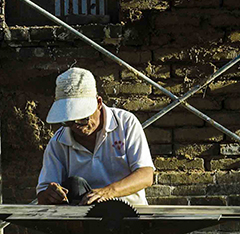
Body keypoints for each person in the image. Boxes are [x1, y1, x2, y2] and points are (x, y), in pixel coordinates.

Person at [37, 67, 156, 205]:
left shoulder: (125, 123)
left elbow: (146, 175)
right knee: (75, 185)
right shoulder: (58, 142)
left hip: (128, 214)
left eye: (83, 118)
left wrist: (109, 192)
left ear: (99, 103)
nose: (76, 125)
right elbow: (42, 196)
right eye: (69, 121)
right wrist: (50, 194)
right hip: (84, 219)